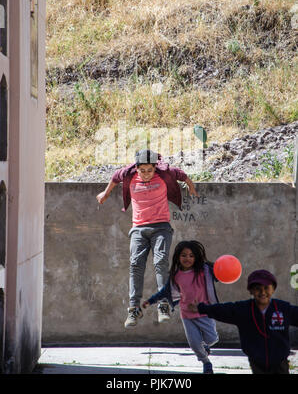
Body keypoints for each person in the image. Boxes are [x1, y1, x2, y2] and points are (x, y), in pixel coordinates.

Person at [96, 149, 198, 328]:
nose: (145, 174)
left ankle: (163, 305)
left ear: (155, 168)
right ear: (136, 168)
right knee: (135, 265)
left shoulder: (165, 174)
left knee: (160, 262)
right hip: (139, 229)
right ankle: (134, 308)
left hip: (161, 227)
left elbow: (182, 175)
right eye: (142, 170)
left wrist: (191, 187)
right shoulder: (129, 175)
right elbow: (115, 177)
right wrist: (105, 193)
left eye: (149, 170)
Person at [188, 269, 298, 374]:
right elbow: (223, 310)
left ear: (273, 289)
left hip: (280, 362)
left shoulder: (283, 309)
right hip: (257, 362)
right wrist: (201, 308)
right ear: (251, 290)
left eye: (266, 288)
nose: (262, 292)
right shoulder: (244, 309)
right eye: (257, 288)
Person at [142, 240, 219, 374]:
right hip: (187, 315)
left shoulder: (204, 271)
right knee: (194, 344)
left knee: (212, 339)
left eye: (191, 255)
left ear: (196, 257)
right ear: (178, 257)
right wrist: (150, 301)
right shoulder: (176, 276)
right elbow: (165, 292)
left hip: (205, 312)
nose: (187, 258)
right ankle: (206, 363)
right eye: (184, 255)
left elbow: (220, 274)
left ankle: (205, 346)